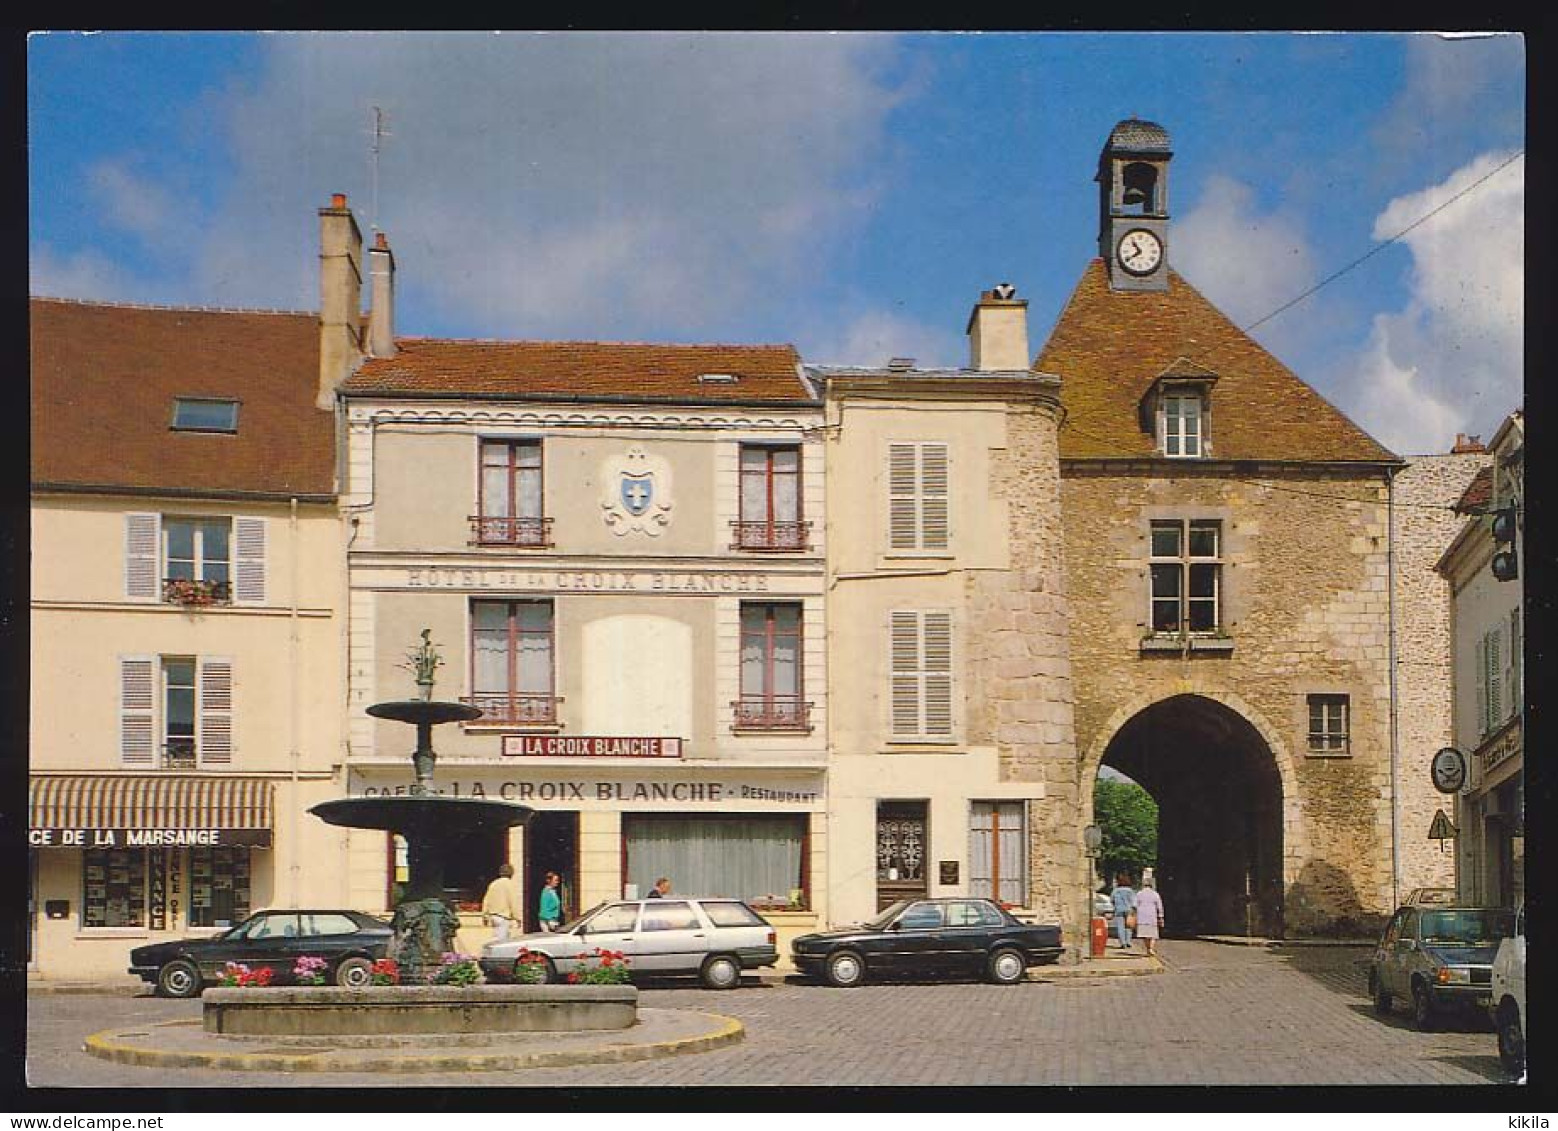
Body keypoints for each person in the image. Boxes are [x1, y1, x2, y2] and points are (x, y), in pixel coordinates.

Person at [481, 863, 520, 942]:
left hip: (493, 916)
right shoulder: (509, 884)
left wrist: (484, 915)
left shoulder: (493, 884)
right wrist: (517, 917)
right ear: (511, 873)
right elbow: (513, 901)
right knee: (501, 942)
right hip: (503, 917)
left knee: (496, 938)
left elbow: (486, 900)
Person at [1134, 876, 1165, 957]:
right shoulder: (1155, 894)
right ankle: (1151, 948)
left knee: (1144, 934)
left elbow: (1135, 905)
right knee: (1153, 934)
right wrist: (1161, 916)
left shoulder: (1139, 894)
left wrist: (1135, 914)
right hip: (1152, 916)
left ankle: (1148, 948)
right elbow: (1159, 906)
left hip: (1142, 916)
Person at [1109, 872, 1137, 951]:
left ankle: (1122, 943)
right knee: (1128, 926)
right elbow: (1134, 901)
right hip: (1129, 910)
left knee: (1120, 926)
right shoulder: (1130, 891)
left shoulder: (1116, 890)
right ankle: (1128, 941)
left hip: (1119, 910)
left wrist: (1115, 905)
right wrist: (1133, 909)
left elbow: (1111, 899)